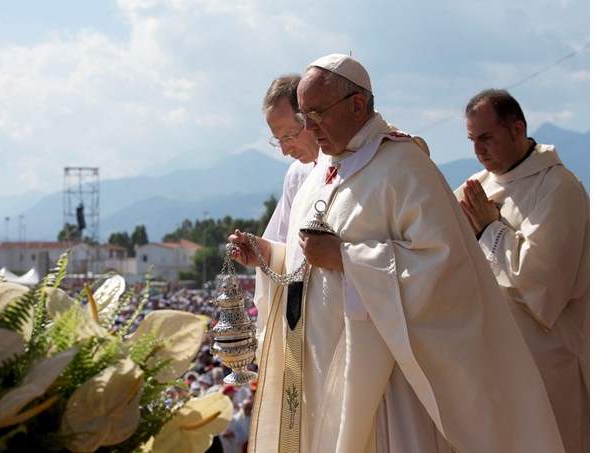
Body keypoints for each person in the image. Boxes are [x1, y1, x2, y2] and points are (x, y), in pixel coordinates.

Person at [228, 54, 565, 452]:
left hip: (387, 380)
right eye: (306, 116)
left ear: (357, 105)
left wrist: (347, 258)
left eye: (317, 113)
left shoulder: (403, 165)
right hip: (323, 370)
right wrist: (268, 254)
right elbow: (310, 260)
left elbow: (444, 270)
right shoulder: (320, 173)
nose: (310, 126)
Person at [454, 88, 589, 453]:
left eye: (487, 138)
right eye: (472, 140)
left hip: (545, 365)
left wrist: (488, 229)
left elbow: (540, 281)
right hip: (490, 362)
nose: (479, 151)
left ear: (517, 130)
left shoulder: (559, 188)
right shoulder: (475, 188)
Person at [261, 75, 321, 242]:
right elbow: (282, 244)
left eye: (289, 137)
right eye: (279, 141)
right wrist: (260, 251)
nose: (285, 151)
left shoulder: (354, 162)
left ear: (310, 119)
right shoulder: (297, 174)